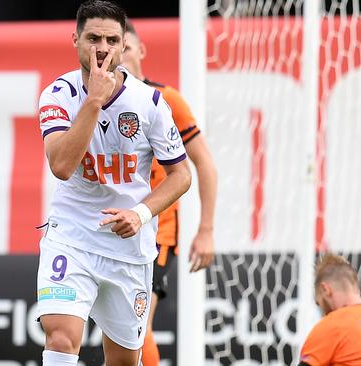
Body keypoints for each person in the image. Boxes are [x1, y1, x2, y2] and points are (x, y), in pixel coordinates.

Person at [35, 1, 191, 365]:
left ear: (124, 46)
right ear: (75, 40)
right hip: (72, 236)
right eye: (93, 38)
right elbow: (60, 165)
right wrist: (94, 102)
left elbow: (182, 175)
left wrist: (140, 213)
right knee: (60, 339)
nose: (102, 48)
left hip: (128, 247)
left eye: (111, 39)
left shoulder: (151, 103)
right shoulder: (58, 95)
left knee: (123, 360)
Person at [119, 19, 217, 366]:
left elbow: (203, 163)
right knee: (116, 328)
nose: (119, 56)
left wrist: (205, 230)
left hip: (154, 232)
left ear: (142, 51)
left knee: (136, 323)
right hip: (108, 231)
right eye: (113, 49)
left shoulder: (165, 99)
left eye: (126, 47)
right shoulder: (96, 103)